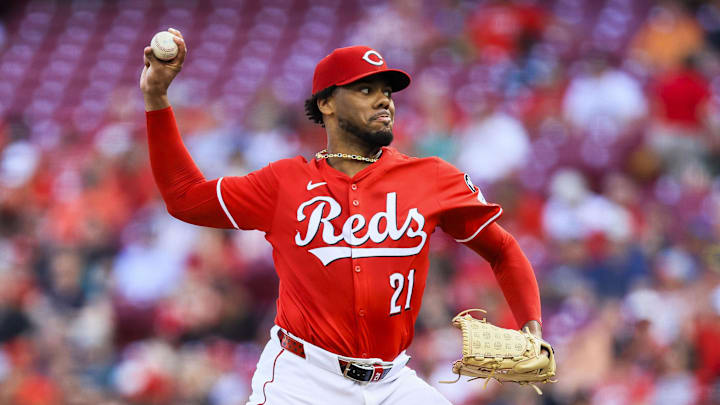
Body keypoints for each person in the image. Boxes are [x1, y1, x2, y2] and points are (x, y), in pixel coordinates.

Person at [140, 28, 544, 405]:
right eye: (366, 89)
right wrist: (157, 100)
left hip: (392, 381)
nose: (383, 99)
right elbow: (185, 198)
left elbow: (503, 250)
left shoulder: (432, 178)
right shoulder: (284, 183)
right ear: (326, 103)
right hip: (303, 378)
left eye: (387, 91)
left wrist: (531, 328)